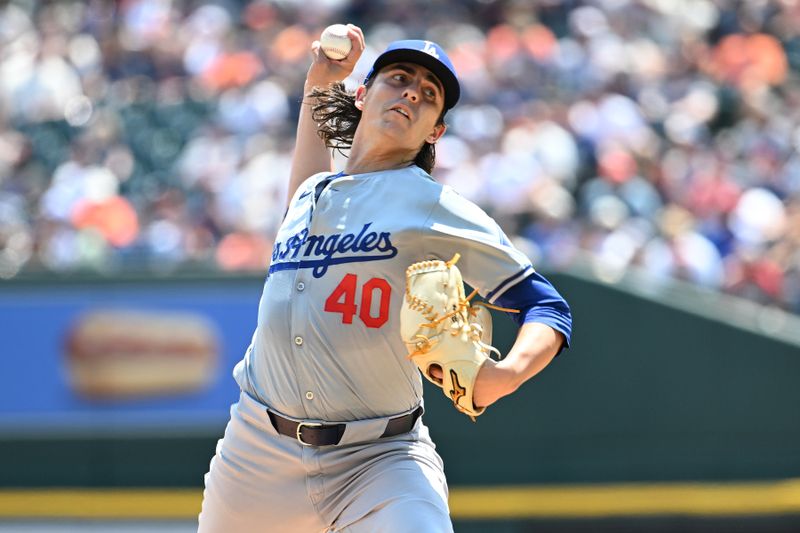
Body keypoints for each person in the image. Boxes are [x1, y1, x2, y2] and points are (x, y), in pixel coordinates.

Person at [198, 25, 572, 532]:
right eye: (399, 78)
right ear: (363, 93)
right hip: (256, 452)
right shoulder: (312, 194)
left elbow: (547, 306)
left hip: (380, 460)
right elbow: (306, 183)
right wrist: (319, 78)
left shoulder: (431, 206)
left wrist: (506, 375)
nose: (413, 92)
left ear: (434, 131)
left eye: (429, 94)